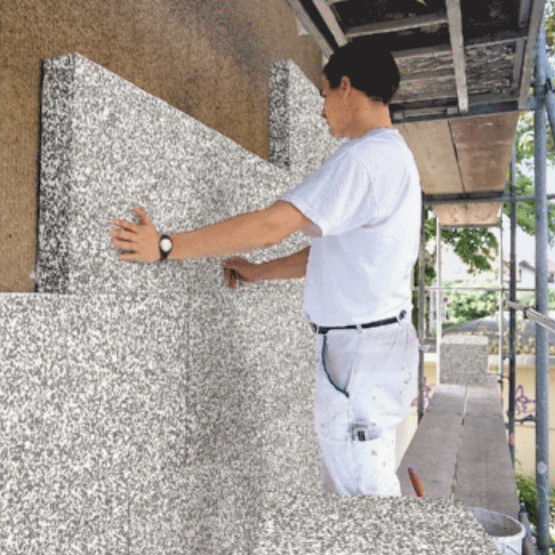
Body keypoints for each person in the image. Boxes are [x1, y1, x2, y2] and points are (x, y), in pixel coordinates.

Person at [109, 40, 421, 496]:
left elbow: (273, 224)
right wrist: (258, 272)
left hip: (361, 355)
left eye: (324, 95)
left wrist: (165, 245)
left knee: (361, 498)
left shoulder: (365, 161)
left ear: (348, 88)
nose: (321, 111)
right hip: (370, 349)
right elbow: (338, 255)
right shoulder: (393, 159)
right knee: (361, 484)